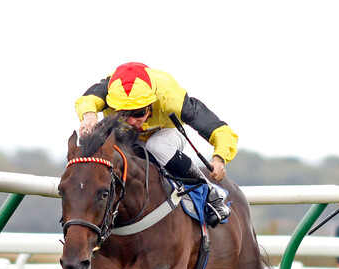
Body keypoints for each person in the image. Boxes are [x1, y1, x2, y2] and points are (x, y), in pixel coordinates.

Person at [75, 62, 235, 226]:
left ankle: (211, 192)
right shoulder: (110, 87)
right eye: (124, 113)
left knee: (156, 146)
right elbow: (86, 101)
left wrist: (219, 158)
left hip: (166, 134)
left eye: (138, 112)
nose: (131, 120)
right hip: (126, 136)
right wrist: (89, 116)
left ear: (151, 103)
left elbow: (219, 129)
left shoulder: (170, 97)